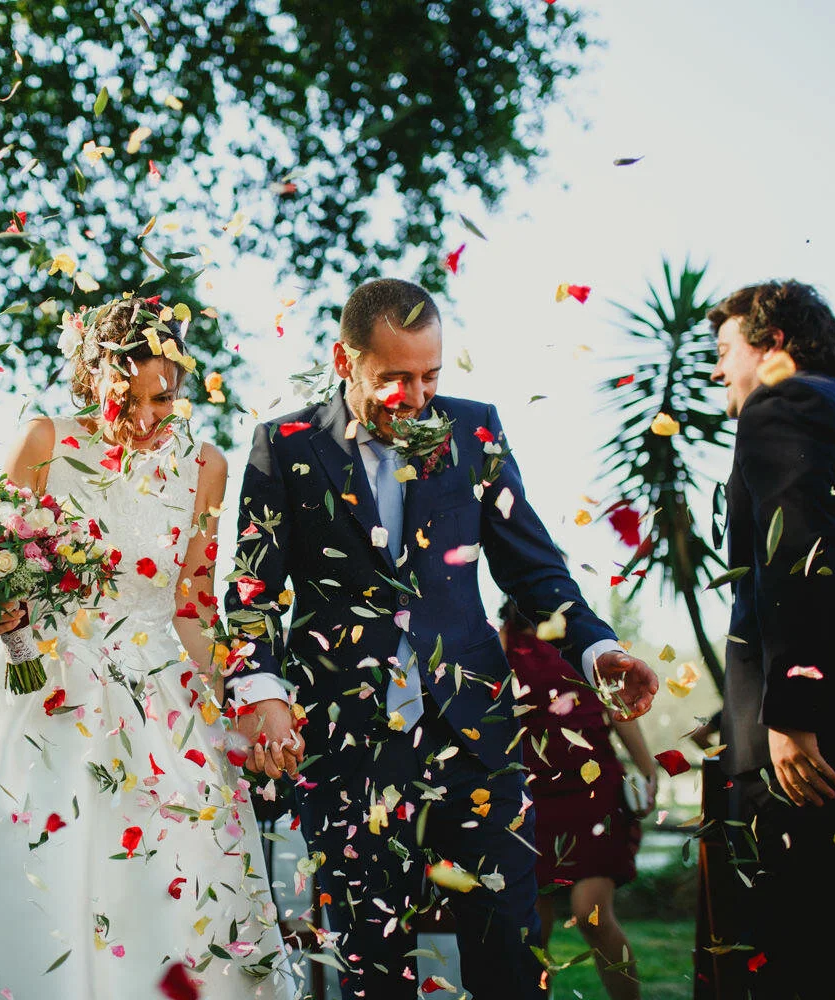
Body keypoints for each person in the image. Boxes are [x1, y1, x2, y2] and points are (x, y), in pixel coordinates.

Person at [226, 278, 659, 999]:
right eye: (394, 377)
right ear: (345, 360)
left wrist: (596, 650)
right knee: (369, 964)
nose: (416, 396)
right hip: (348, 744)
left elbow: (535, 568)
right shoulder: (286, 446)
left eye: (430, 375)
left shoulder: (473, 430)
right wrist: (263, 690)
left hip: (473, 738)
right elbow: (252, 595)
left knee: (509, 955)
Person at [0, 298, 294, 998]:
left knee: (178, 878)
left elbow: (193, 602)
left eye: (162, 399)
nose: (144, 419)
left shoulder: (205, 464)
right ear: (90, 382)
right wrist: (9, 617)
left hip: (161, 701)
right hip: (43, 690)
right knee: (46, 877)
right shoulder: (46, 442)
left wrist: (236, 701)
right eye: (124, 399)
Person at [709, 280, 835, 998]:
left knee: (785, 959)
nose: (717, 371)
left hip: (813, 752)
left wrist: (792, 713)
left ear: (772, 347)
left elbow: (796, 548)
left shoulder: (782, 402)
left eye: (725, 351)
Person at [500, 601, 657, 1000]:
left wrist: (648, 769)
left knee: (593, 912)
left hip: (593, 786)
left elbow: (615, 704)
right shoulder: (503, 642)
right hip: (534, 793)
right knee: (535, 923)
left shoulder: (584, 641)